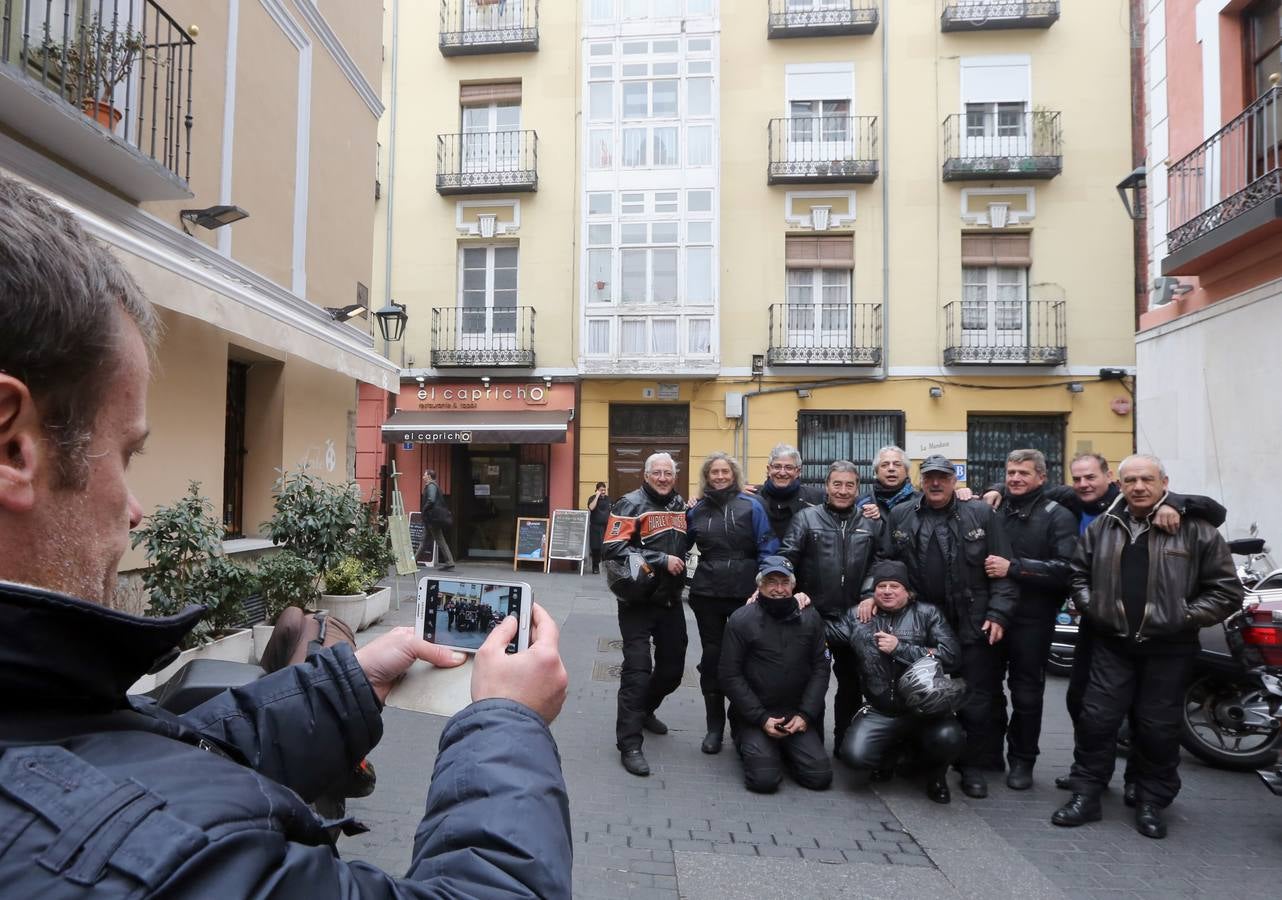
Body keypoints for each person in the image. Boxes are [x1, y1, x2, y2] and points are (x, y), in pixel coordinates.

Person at [0, 175, 572, 896]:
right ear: (13, 447)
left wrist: (349, 682)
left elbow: (159, 757)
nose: (136, 507)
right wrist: (505, 725)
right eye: (127, 452)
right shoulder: (130, 859)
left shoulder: (38, 712)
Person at [1052, 454, 1243, 839]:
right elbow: (1078, 574)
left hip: (1169, 647)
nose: (1139, 487)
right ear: (1119, 485)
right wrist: (1095, 608)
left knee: (1157, 727)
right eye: (1131, 480)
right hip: (1112, 642)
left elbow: (1226, 591)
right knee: (1097, 720)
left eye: (1147, 479)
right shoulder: (1104, 526)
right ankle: (1086, 793)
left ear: (1164, 482)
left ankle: (1151, 800)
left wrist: (1183, 617)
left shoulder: (1195, 529)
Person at [872, 454, 1017, 800]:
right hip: (921, 626)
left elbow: (1001, 569)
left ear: (955, 480)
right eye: (930, 477)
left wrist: (998, 613)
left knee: (975, 699)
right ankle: (921, 759)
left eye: (943, 477)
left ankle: (972, 767)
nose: (936, 483)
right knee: (919, 693)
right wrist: (873, 594)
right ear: (921, 480)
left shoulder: (980, 513)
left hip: (972, 622)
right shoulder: (903, 514)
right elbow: (885, 562)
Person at [979, 449, 1078, 790]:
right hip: (991, 615)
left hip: (1032, 619)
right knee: (988, 689)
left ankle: (1022, 760)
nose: (1015, 479)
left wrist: (1016, 568)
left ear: (1041, 478)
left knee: (1027, 694)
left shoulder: (1058, 516)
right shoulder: (993, 507)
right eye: (1010, 473)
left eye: (1023, 473)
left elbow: (1068, 570)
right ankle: (989, 754)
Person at [828, 561, 964, 804]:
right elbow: (824, 633)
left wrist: (900, 648)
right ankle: (892, 756)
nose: (887, 591)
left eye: (894, 586)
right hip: (882, 711)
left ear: (907, 591)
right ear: (873, 590)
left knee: (949, 738)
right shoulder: (859, 616)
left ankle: (936, 776)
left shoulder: (927, 613)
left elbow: (951, 656)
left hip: (926, 711)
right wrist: (796, 604)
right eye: (881, 585)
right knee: (854, 756)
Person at [780, 461, 888, 749]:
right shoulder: (806, 518)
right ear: (827, 486)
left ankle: (844, 741)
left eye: (849, 485)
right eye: (837, 484)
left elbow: (882, 562)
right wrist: (793, 591)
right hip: (813, 615)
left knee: (852, 684)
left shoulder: (871, 523)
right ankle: (810, 740)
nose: (842, 490)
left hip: (856, 617)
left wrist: (869, 594)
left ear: (858, 488)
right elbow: (787, 556)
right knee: (810, 682)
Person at [601, 452, 690, 777]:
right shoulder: (629, 503)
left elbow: (686, 540)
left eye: (668, 472)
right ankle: (629, 743)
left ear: (674, 476)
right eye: (658, 473)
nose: (663, 477)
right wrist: (659, 558)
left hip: (670, 600)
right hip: (637, 601)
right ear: (647, 474)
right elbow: (612, 549)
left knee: (673, 670)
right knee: (637, 671)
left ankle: (645, 710)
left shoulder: (679, 505)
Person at [686, 452, 779, 754]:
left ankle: (744, 723)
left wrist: (764, 584)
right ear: (707, 476)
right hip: (707, 593)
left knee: (746, 659)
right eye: (714, 472)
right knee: (712, 661)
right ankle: (715, 729)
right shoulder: (696, 510)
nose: (720, 476)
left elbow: (768, 546)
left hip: (745, 592)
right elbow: (679, 542)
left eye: (725, 471)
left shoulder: (752, 505)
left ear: (734, 474)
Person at [718, 556, 832, 794]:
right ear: (759, 585)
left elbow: (821, 669)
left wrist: (806, 715)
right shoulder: (741, 619)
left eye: (784, 582)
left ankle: (783, 749)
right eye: (771, 582)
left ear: (793, 586)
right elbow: (730, 675)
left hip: (796, 715)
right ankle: (748, 741)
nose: (778, 589)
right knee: (764, 781)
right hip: (757, 716)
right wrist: (760, 718)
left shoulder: (811, 618)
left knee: (820, 777)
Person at [755, 444, 826, 540]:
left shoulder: (816, 498)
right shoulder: (753, 497)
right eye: (777, 467)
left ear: (798, 472)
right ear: (769, 469)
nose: (782, 473)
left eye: (788, 467)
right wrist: (736, 489)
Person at [420, 468, 455, 571]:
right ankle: (414, 560)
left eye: (425, 475)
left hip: (432, 519)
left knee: (439, 540)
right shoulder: (433, 486)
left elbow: (431, 500)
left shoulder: (431, 486)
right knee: (424, 540)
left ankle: (450, 562)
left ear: (429, 476)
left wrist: (424, 509)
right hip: (431, 519)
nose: (423, 477)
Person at [587, 481, 611, 574]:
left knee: (606, 548)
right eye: (601, 490)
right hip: (595, 526)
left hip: (606, 527)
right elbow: (591, 508)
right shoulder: (592, 498)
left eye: (605, 490)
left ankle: (605, 567)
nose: (604, 492)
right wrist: (597, 496)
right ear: (597, 490)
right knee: (595, 547)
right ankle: (595, 566)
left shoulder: (609, 499)